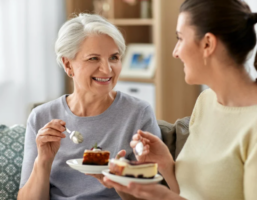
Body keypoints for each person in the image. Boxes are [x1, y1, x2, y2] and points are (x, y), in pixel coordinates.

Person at [104, 0, 257, 199]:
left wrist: (162, 197)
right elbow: (186, 193)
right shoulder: (206, 102)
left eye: (180, 38)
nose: (175, 52)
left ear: (208, 44)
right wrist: (166, 165)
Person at [17, 14, 161, 200]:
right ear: (68, 64)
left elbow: (155, 196)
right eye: (94, 58)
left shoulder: (138, 114)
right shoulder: (41, 117)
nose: (107, 69)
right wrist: (43, 161)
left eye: (114, 58)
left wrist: (117, 179)